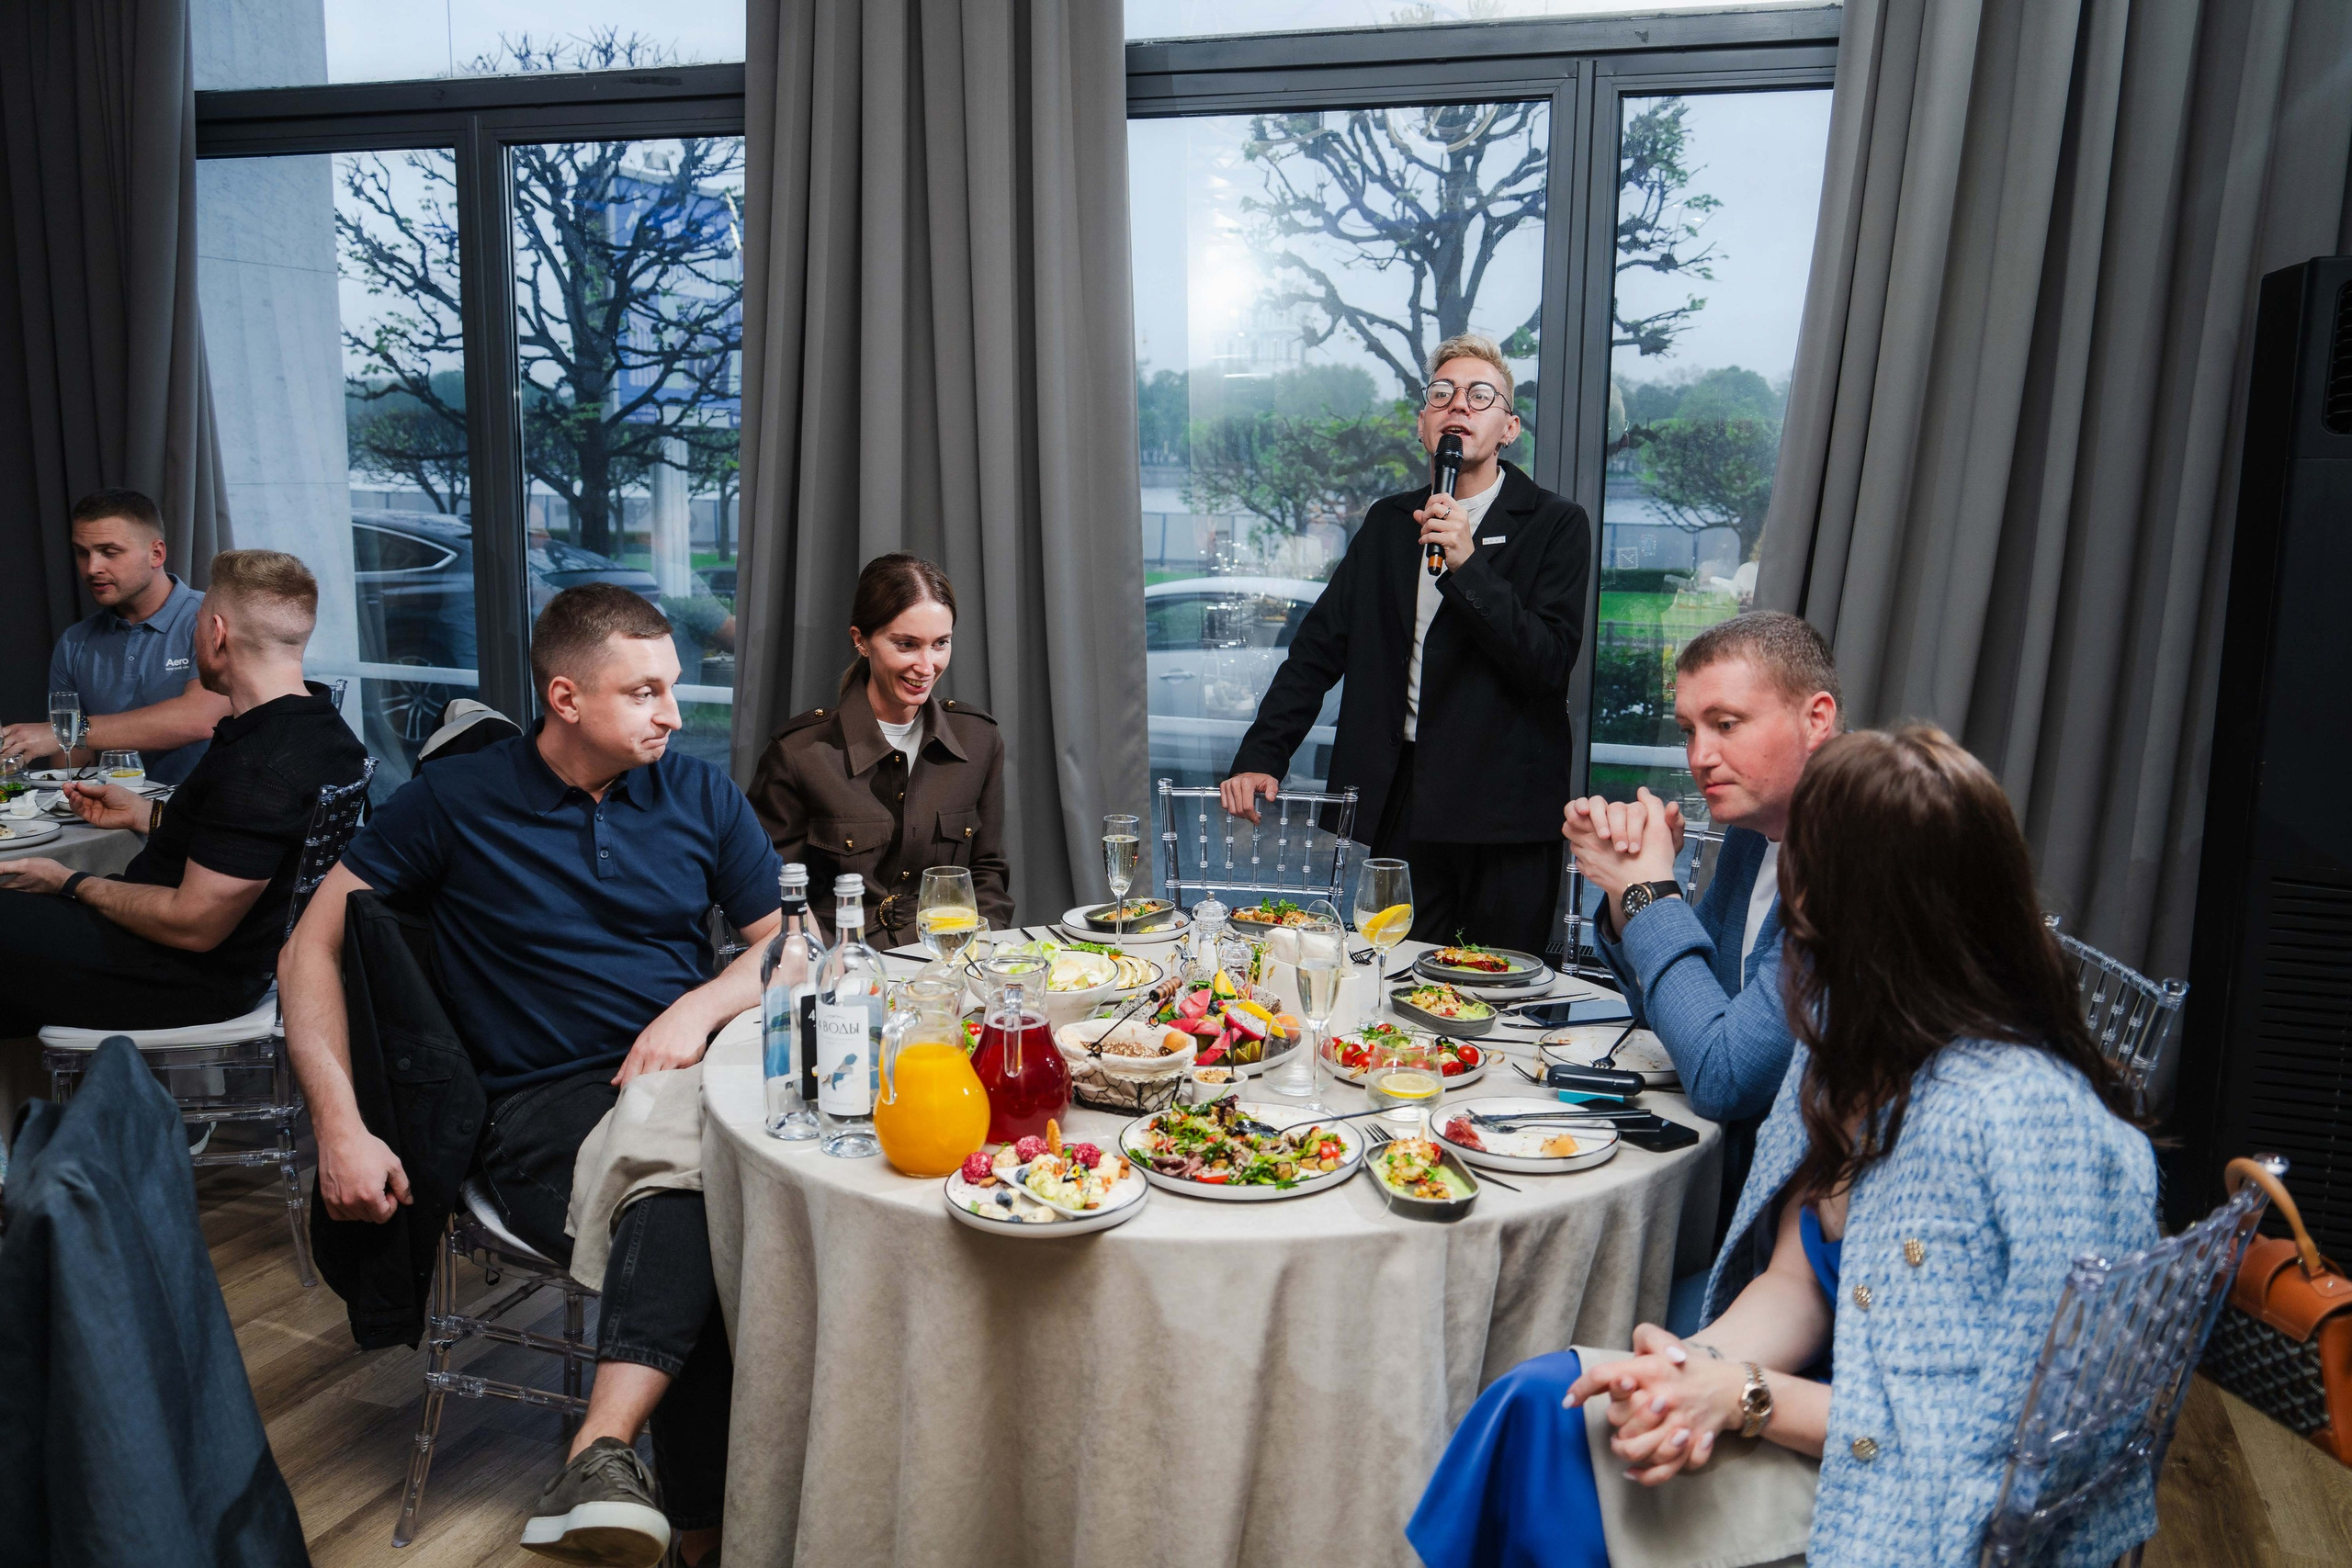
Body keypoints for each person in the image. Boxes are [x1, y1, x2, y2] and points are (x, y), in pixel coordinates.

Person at [1409, 725, 2160, 1568]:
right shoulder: (1851, 1032)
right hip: (1812, 1407)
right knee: (1536, 1406)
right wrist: (1691, 1374)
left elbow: (2011, 1448)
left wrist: (1743, 1397)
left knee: (1560, 1461)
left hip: (1915, 1511)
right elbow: (1797, 1281)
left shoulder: (2030, 1124)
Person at [282, 584, 783, 1568]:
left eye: (672, 688)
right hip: (539, 1106)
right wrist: (338, 1124)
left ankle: (608, 1459)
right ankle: (697, 1530)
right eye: (643, 693)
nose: (673, 715)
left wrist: (699, 1005)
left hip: (692, 1074)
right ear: (565, 697)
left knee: (715, 1191)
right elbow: (308, 950)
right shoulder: (456, 804)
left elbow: (789, 948)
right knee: (701, 1204)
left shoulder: (698, 794)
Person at [1219, 333, 1589, 952]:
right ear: (1424, 426)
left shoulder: (1554, 524)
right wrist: (1263, 752)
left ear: (1509, 427)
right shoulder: (1390, 524)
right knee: (1393, 980)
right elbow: (1317, 650)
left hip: (1505, 812)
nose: (1457, 406)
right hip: (1405, 798)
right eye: (1441, 394)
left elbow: (1547, 663)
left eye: (1479, 395)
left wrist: (1469, 568)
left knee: (1500, 995)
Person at [1562, 610, 1838, 1323]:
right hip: (1732, 1200)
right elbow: (1688, 1013)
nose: (1699, 756)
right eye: (1690, 729)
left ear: (1817, 718)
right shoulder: (1758, 834)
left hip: (1793, 1253)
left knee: (1577, 1297)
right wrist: (1632, 896)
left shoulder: (1847, 861)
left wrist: (1649, 891)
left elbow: (1720, 1075)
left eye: (1726, 722)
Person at [0, 550, 366, 1035]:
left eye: (196, 625)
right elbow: (255, 846)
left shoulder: (261, 763)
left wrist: (68, 881)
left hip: (179, 978)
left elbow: (194, 925)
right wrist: (146, 816)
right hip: (204, 958)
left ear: (216, 632)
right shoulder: (325, 728)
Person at [749, 553, 1012, 947]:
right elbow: (772, 896)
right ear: (861, 641)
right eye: (906, 645)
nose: (927, 666)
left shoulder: (978, 739)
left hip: (949, 965)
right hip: (843, 976)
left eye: (940, 643)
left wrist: (980, 951)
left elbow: (987, 871)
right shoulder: (800, 752)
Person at [0, 490, 232, 786]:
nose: (92, 567)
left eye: (110, 552)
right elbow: (71, 768)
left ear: (156, 553)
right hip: (114, 823)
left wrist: (66, 730)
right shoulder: (75, 642)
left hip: (207, 823)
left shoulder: (211, 619)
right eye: (82, 552)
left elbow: (200, 719)